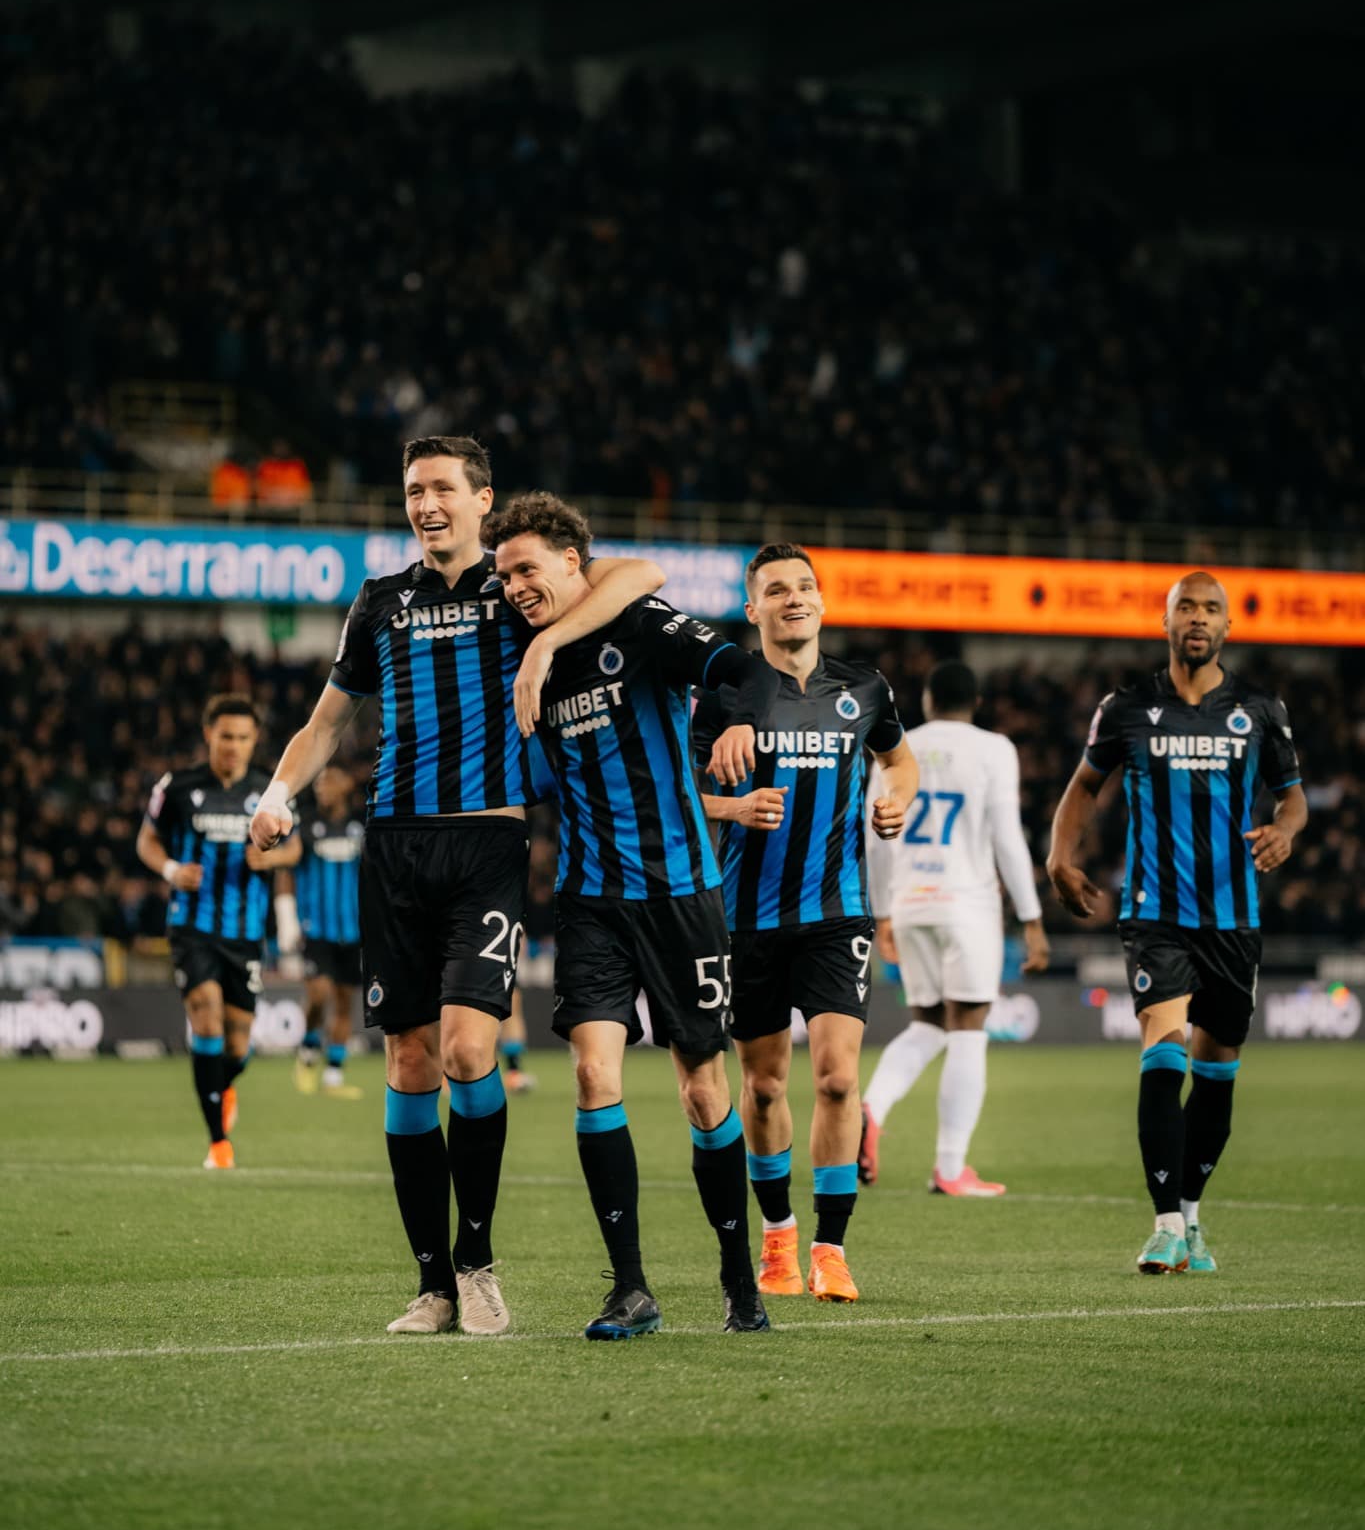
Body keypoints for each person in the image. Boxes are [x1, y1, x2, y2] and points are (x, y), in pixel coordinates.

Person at [250, 436, 664, 1339]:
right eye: (412, 489)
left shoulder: (513, 590)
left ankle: (477, 1266)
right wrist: (276, 795)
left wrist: (548, 635)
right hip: (394, 848)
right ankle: (433, 1285)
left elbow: (638, 573)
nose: (425, 502)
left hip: (486, 844)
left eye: (442, 487)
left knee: (470, 1053)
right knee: (407, 1062)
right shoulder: (379, 602)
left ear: (483, 500)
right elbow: (326, 724)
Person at [488, 492, 777, 1340]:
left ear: (573, 563)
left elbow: (745, 670)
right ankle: (631, 1289)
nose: (512, 588)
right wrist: (535, 643)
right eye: (503, 575)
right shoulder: (517, 642)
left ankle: (737, 1279)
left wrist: (741, 727)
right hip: (588, 900)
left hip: (681, 893)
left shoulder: (641, 623)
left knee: (701, 1089)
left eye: (525, 569)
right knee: (591, 1078)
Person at [1047, 571, 1307, 1274]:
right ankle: (1163, 1225)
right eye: (1185, 607)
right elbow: (1082, 788)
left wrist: (1284, 832)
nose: (1197, 618)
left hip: (1232, 919)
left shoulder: (1257, 709)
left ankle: (1190, 1218)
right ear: (1165, 623)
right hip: (1153, 913)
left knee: (1217, 1070)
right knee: (1163, 1055)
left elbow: (1292, 799)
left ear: (1228, 627)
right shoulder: (1127, 707)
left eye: (1210, 609)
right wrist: (1057, 855)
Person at [692, 543, 918, 1304]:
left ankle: (830, 1248)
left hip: (836, 913)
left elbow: (900, 760)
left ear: (820, 602)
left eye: (805, 587)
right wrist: (731, 807)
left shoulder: (863, 687)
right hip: (746, 919)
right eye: (775, 590)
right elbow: (675, 797)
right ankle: (778, 1239)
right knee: (760, 1088)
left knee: (836, 1078)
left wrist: (896, 796)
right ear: (752, 609)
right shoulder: (723, 694)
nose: (794, 598)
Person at [859, 661, 1050, 1197]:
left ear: (926, 701)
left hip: (910, 899)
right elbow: (1007, 838)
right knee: (968, 1026)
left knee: (929, 1022)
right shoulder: (993, 749)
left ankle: (870, 1109)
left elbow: (874, 836)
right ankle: (949, 1168)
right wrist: (1033, 918)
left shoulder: (897, 746)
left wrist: (882, 913)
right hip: (967, 904)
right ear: (977, 701)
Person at [136, 694, 302, 1169]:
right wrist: (169, 869)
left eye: (243, 737)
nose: (233, 745)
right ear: (208, 734)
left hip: (246, 933)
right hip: (191, 926)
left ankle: (221, 1085)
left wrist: (274, 855)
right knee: (204, 1015)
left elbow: (296, 848)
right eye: (225, 735)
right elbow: (146, 839)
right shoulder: (178, 786)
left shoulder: (269, 791)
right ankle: (218, 1143)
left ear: (255, 741)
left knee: (237, 1047)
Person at [290, 766, 365, 1100]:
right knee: (319, 995)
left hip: (354, 931)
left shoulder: (361, 826)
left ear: (345, 787)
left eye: (328, 782)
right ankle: (308, 1049)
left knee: (344, 1003)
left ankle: (334, 1075)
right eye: (317, 783)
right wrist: (287, 917)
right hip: (317, 928)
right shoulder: (306, 825)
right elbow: (289, 866)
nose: (321, 788)